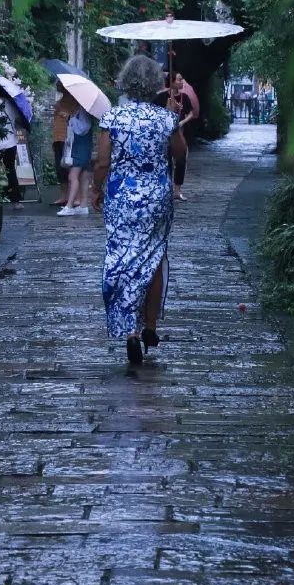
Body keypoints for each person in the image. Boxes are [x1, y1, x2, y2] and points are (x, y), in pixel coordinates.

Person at [92, 54, 188, 365]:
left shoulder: (114, 118)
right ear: (154, 84)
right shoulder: (164, 118)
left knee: (123, 256)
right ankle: (150, 326)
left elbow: (103, 161)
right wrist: (173, 121)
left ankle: (130, 332)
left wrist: (97, 190)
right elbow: (180, 154)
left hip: (121, 198)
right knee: (154, 256)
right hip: (157, 198)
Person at [156, 71, 194, 200]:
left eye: (182, 79)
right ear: (171, 82)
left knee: (181, 160)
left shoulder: (185, 97)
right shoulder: (161, 97)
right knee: (166, 162)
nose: (181, 82)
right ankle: (166, 189)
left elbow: (190, 113)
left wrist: (182, 121)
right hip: (164, 134)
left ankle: (177, 190)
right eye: (179, 80)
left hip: (179, 133)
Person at [0, 81, 23, 203]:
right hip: (11, 142)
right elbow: (17, 119)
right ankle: (16, 199)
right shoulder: (10, 104)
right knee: (10, 170)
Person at [58, 105, 93, 216]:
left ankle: (69, 206)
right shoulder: (80, 111)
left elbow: (82, 129)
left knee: (72, 176)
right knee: (83, 176)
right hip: (80, 147)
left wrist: (70, 118)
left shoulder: (83, 112)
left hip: (80, 148)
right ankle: (83, 206)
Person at [52, 83, 79, 206]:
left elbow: (77, 118)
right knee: (60, 168)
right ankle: (63, 196)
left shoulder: (75, 101)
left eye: (60, 84)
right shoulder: (59, 101)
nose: (57, 85)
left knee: (70, 167)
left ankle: (75, 197)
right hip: (57, 138)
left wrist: (65, 115)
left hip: (68, 138)